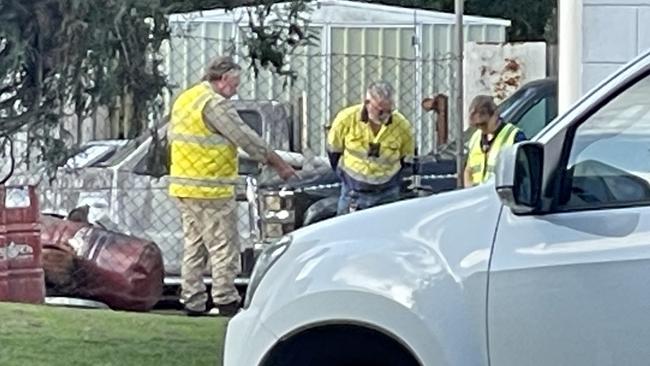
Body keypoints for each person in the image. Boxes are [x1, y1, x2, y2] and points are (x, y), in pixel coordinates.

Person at [168, 56, 296, 317]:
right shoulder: (215, 104)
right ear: (223, 79)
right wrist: (279, 164)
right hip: (210, 187)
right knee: (223, 245)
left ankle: (192, 299)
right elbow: (245, 138)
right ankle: (225, 298)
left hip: (184, 185)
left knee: (195, 245)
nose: (236, 90)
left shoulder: (187, 98)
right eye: (235, 83)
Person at [326, 81, 415, 215]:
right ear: (367, 103)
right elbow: (334, 151)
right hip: (353, 193)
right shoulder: (346, 119)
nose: (385, 116)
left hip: (387, 194)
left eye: (389, 111)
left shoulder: (402, 125)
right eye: (380, 111)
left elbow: (407, 159)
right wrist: (347, 177)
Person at [463, 95, 527, 188]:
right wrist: (469, 189)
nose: (481, 128)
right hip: (479, 196)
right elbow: (468, 170)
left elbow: (523, 175)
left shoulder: (514, 136)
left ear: (495, 115)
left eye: (483, 124)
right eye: (477, 125)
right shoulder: (476, 137)